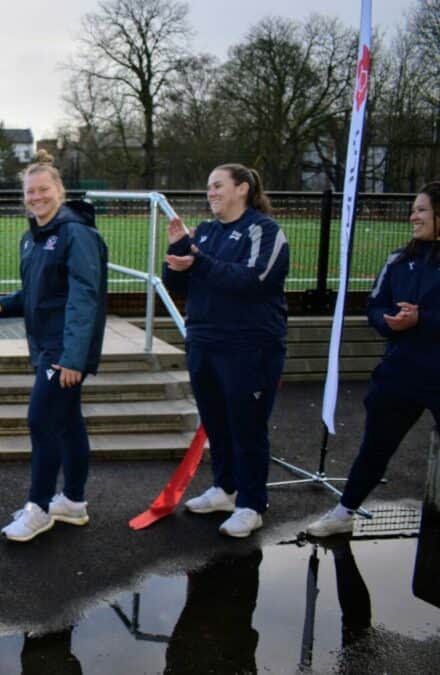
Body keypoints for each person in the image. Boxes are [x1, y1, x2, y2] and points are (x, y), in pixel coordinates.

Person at [0, 150, 108, 542]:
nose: (36, 197)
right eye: (30, 192)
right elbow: (37, 292)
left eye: (44, 190)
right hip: (48, 346)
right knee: (69, 423)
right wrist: (3, 302)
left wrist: (73, 357)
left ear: (60, 191)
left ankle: (39, 508)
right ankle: (72, 502)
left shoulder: (76, 234)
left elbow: (84, 299)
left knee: (41, 421)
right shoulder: (32, 238)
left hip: (64, 348)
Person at [307, 182, 440, 537]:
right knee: (375, 446)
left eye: (422, 209)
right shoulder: (399, 260)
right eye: (414, 208)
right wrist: (390, 322)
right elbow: (375, 307)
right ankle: (344, 511)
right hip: (400, 373)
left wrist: (423, 319)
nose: (413, 215)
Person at [165, 164, 289, 538]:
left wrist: (199, 261)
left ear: (243, 189)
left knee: (247, 427)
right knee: (216, 421)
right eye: (208, 186)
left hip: (249, 347)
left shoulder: (264, 231)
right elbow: (176, 281)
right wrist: (178, 249)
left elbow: (254, 281)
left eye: (218, 185)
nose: (211, 192)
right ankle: (225, 488)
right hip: (205, 341)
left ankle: (251, 504)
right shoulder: (204, 231)